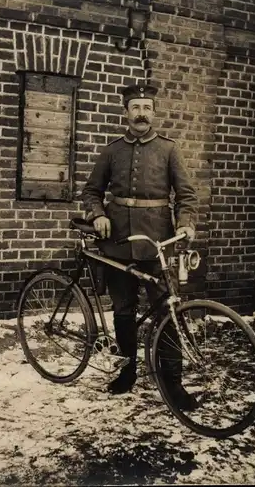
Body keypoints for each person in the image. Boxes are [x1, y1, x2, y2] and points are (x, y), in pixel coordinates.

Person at [81, 83, 198, 410]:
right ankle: (127, 370)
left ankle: (173, 383)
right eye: (135, 107)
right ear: (126, 112)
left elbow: (187, 197)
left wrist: (186, 223)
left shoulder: (169, 150)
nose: (141, 113)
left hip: (157, 245)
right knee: (123, 311)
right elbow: (92, 191)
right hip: (117, 244)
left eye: (147, 107)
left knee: (168, 313)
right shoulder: (112, 150)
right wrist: (98, 214)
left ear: (154, 112)